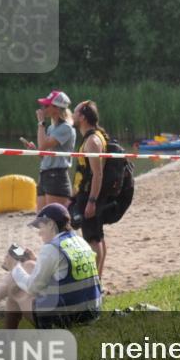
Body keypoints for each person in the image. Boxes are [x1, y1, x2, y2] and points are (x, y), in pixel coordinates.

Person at [0, 204, 102, 329]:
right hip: (91, 313)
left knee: (15, 288)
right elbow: (67, 273)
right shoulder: (79, 241)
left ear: (51, 224)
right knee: (28, 265)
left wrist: (14, 267)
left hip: (67, 320)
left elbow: (33, 288)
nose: (39, 233)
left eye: (40, 227)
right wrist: (36, 260)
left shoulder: (52, 248)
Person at [71, 100, 108, 277]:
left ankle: (93, 281)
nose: (71, 114)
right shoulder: (92, 137)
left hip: (90, 195)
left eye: (75, 112)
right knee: (98, 237)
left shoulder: (92, 141)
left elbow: (97, 174)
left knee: (93, 239)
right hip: (86, 194)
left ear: (83, 118)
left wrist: (92, 201)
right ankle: (98, 281)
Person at [31, 90, 75, 210]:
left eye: (46, 105)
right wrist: (36, 150)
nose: (42, 108)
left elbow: (43, 145)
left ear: (56, 108)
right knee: (42, 220)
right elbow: (45, 153)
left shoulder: (66, 128)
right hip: (45, 175)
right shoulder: (51, 128)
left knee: (56, 221)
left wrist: (40, 123)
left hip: (57, 177)